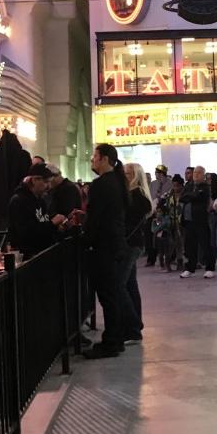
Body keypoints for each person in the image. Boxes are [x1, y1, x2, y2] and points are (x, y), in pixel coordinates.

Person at [84, 143, 132, 358]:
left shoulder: (101, 184)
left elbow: (96, 218)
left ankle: (111, 342)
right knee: (113, 294)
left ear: (104, 159)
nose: (92, 160)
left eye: (95, 156)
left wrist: (86, 239)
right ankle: (116, 338)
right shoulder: (118, 182)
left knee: (108, 296)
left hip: (104, 246)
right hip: (115, 244)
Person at [119, 163, 153, 343]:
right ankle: (134, 326)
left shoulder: (136, 196)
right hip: (132, 243)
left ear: (135, 176)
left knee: (120, 285)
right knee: (130, 285)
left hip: (130, 244)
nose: (124, 176)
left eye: (127, 174)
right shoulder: (136, 195)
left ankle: (132, 328)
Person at [7, 163, 56, 258]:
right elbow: (26, 233)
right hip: (27, 256)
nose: (49, 186)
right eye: (46, 182)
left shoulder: (41, 200)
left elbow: (42, 223)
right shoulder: (19, 201)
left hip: (41, 253)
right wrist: (52, 224)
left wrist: (57, 226)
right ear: (34, 180)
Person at [180, 166, 213, 277]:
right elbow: (182, 197)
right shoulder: (188, 186)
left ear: (203, 175)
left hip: (200, 220)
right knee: (190, 245)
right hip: (188, 220)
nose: (196, 174)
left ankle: (209, 268)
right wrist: (191, 196)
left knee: (205, 244)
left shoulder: (205, 187)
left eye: (199, 173)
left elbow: (197, 196)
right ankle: (190, 268)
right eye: (195, 172)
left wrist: (190, 196)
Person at [146, 166, 172, 264]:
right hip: (153, 212)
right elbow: (149, 196)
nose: (156, 174)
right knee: (150, 235)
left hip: (165, 214)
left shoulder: (170, 183)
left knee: (165, 236)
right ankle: (151, 258)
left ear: (162, 173)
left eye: (157, 172)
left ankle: (169, 257)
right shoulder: (153, 184)